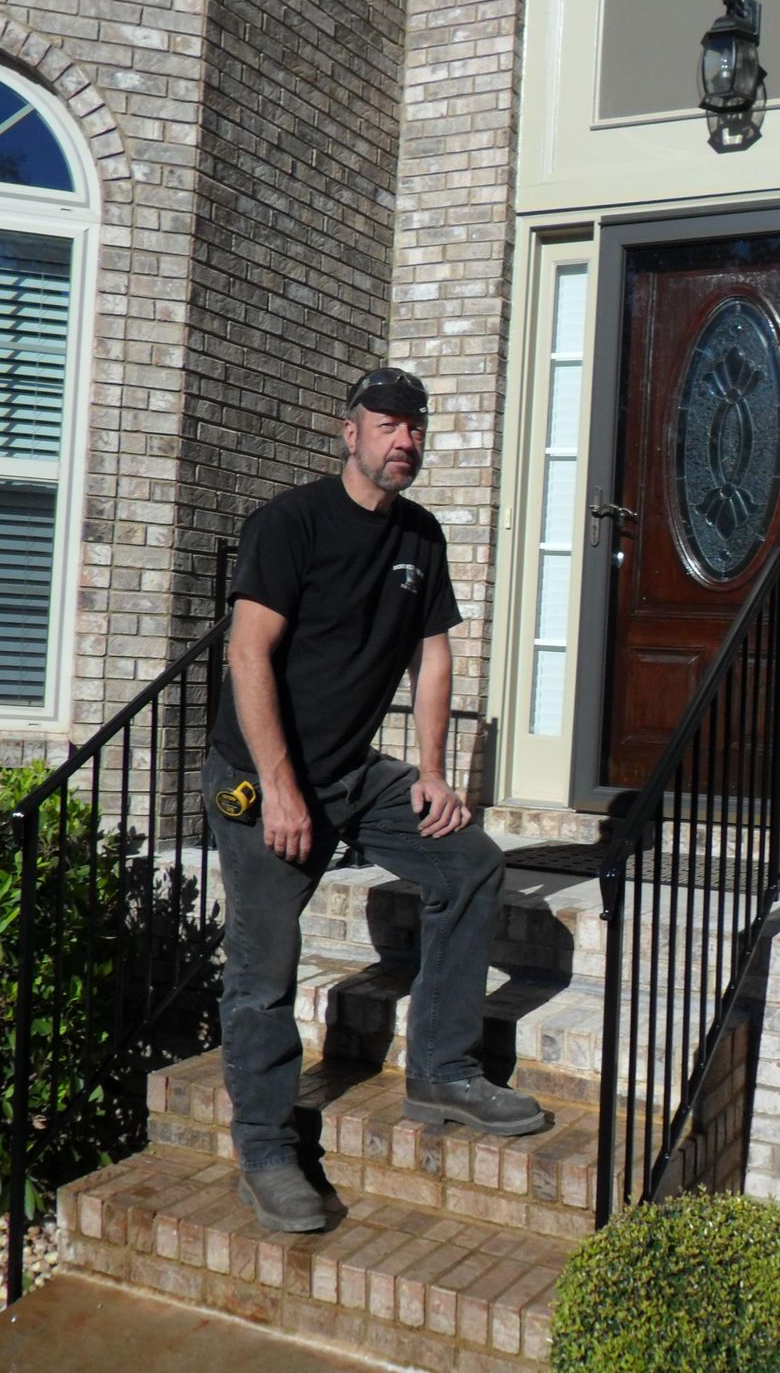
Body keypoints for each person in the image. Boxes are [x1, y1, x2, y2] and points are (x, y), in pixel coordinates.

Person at [204, 366, 547, 1234]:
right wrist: (281, 791)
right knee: (263, 968)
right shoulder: (291, 525)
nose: (405, 440)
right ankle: (268, 1146)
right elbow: (248, 656)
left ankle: (444, 1070)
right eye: (389, 424)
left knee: (469, 862)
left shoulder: (420, 538)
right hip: (263, 775)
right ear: (347, 431)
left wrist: (432, 774)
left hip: (355, 772)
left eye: (415, 427)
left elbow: (433, 657)